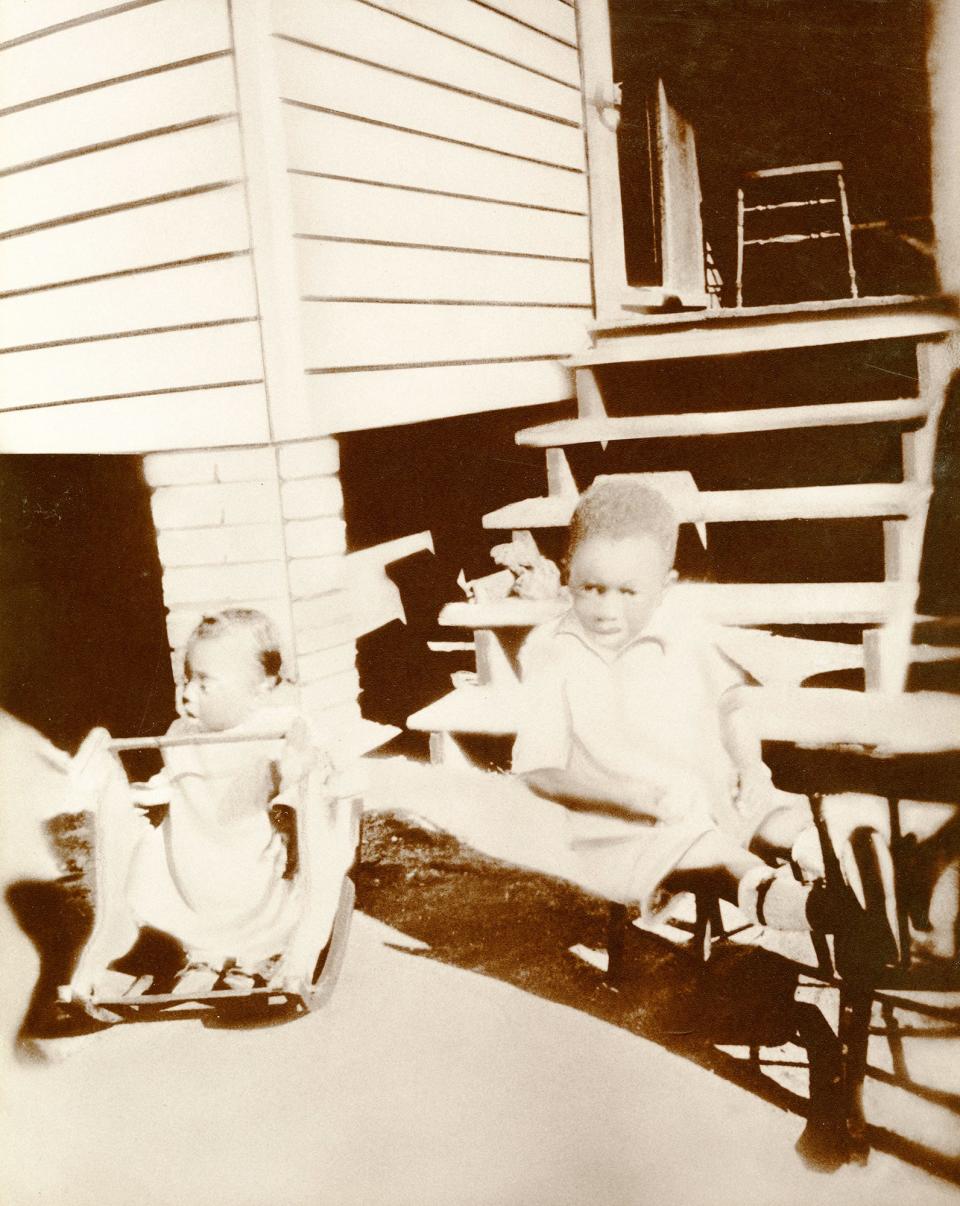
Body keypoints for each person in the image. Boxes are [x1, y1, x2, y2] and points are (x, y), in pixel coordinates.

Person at [511, 478, 896, 957]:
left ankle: (841, 868)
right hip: (618, 820)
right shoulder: (553, 651)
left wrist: (749, 765)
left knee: (778, 817)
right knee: (718, 857)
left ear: (664, 587)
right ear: (567, 575)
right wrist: (630, 797)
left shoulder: (679, 632)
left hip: (704, 788)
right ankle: (818, 910)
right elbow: (536, 770)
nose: (608, 610)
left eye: (629, 592)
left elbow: (731, 701)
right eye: (592, 588)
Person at [69, 609, 358, 999]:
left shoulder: (279, 730)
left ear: (261, 686)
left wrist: (296, 778)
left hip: (254, 859)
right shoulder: (181, 733)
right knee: (150, 855)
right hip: (197, 857)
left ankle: (258, 955)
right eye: (187, 677)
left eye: (205, 683)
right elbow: (171, 781)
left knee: (282, 882)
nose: (187, 693)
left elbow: (312, 778)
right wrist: (131, 796)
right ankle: (202, 953)